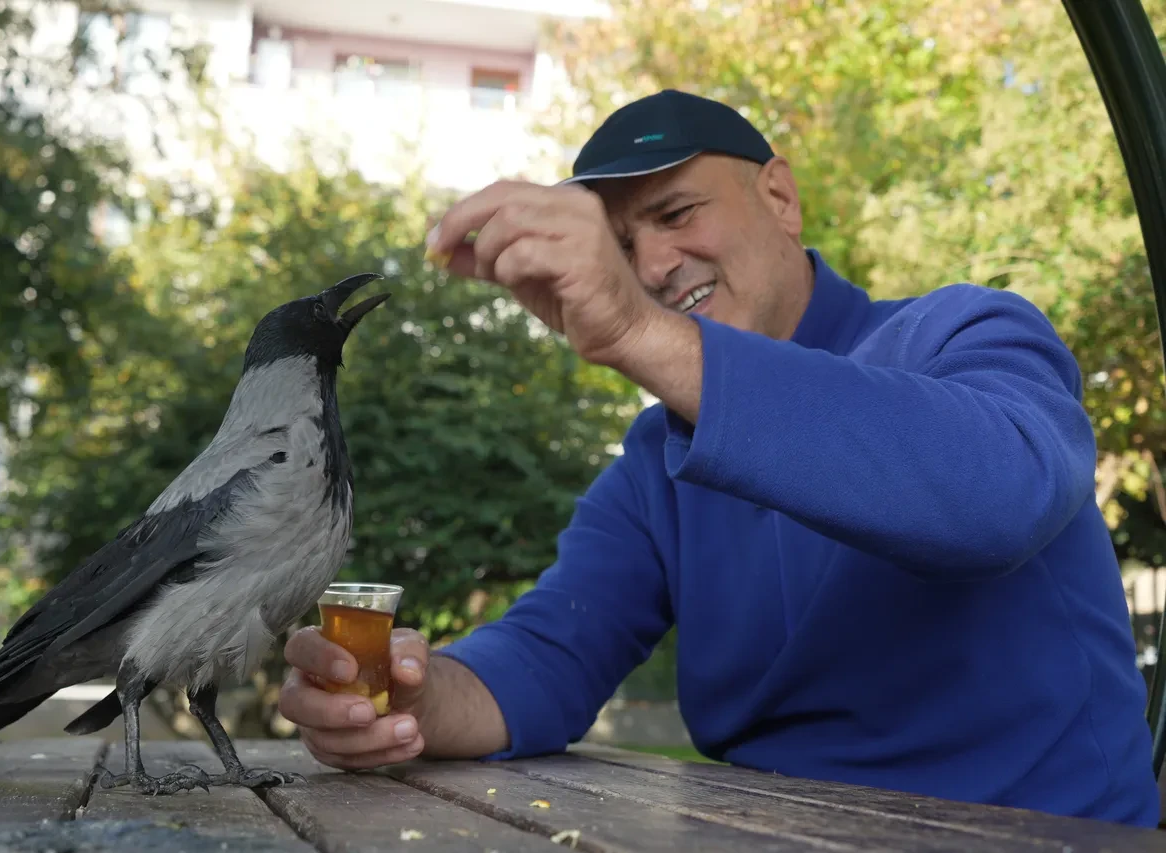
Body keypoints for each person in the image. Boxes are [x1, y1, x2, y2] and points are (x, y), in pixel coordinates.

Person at [278, 89, 1161, 827]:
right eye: (620, 249)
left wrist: (634, 331)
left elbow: (994, 493)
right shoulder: (655, 460)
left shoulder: (968, 331)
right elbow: (549, 654)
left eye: (675, 213)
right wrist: (408, 699)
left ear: (780, 197)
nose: (654, 264)